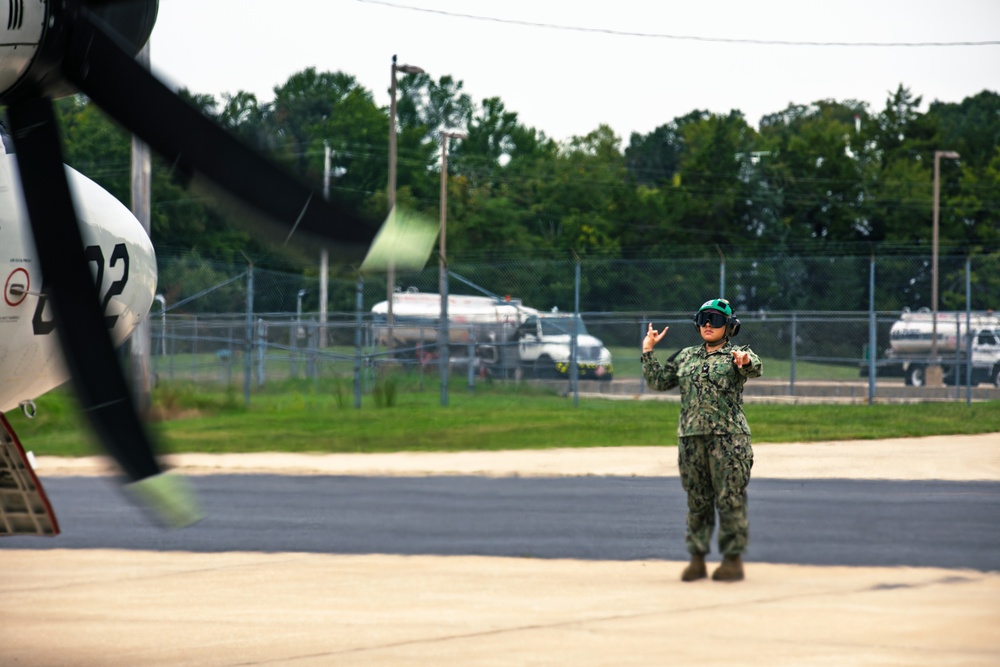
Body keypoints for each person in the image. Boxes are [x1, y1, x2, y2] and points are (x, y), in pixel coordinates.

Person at [641, 298, 762, 582]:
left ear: (730, 326)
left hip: (728, 440)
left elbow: (753, 366)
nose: (708, 324)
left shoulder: (738, 354)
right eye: (704, 318)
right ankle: (697, 559)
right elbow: (659, 381)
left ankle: (732, 560)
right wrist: (648, 350)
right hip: (692, 439)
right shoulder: (685, 356)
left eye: (716, 320)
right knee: (697, 500)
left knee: (730, 499)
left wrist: (744, 362)